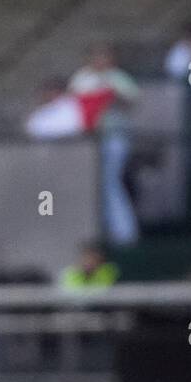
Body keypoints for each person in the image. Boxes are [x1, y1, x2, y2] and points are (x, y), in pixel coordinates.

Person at [69, 44, 140, 246]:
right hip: (87, 139)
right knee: (91, 185)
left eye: (105, 57)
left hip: (114, 136)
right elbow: (72, 101)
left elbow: (132, 101)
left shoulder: (118, 78)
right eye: (97, 57)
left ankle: (123, 234)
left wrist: (111, 93)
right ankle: (95, 232)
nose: (100, 61)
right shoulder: (82, 77)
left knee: (109, 182)